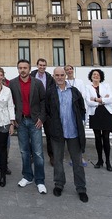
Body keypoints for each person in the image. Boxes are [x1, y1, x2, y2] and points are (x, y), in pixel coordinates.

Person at [46, 67, 89, 202]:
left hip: (73, 132)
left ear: (66, 76)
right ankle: (59, 184)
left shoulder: (74, 92)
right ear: (53, 76)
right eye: (57, 75)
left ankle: (81, 188)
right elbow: (47, 111)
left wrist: (78, 123)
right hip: (57, 133)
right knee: (58, 160)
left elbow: (82, 109)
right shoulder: (50, 92)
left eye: (62, 75)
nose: (59, 77)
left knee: (77, 161)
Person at [9, 59, 47, 195]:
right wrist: (13, 120)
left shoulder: (37, 83)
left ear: (30, 69)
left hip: (35, 121)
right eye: (20, 68)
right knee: (24, 151)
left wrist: (42, 118)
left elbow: (44, 101)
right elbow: (9, 102)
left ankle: (40, 180)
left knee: (38, 152)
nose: (23, 70)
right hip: (21, 122)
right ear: (17, 69)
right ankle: (27, 176)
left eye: (25, 68)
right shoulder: (13, 83)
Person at [84, 68, 112, 172]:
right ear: (91, 76)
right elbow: (88, 101)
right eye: (94, 74)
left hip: (106, 113)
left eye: (97, 74)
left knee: (106, 137)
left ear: (100, 77)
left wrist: (96, 99)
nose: (95, 76)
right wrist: (102, 100)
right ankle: (100, 160)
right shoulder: (87, 87)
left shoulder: (106, 86)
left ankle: (108, 161)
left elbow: (110, 99)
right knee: (97, 137)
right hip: (95, 114)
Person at [31, 58, 56, 166]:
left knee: (50, 134)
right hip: (35, 109)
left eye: (44, 65)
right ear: (37, 65)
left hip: (47, 110)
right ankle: (32, 155)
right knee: (32, 133)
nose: (42, 67)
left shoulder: (50, 78)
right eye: (40, 65)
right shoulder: (31, 76)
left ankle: (52, 156)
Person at [64, 64, 88, 167]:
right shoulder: (64, 83)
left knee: (80, 136)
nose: (69, 71)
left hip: (78, 112)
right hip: (68, 113)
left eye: (70, 69)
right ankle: (72, 157)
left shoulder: (79, 82)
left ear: (73, 70)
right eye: (67, 70)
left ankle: (80, 156)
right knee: (71, 137)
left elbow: (83, 95)